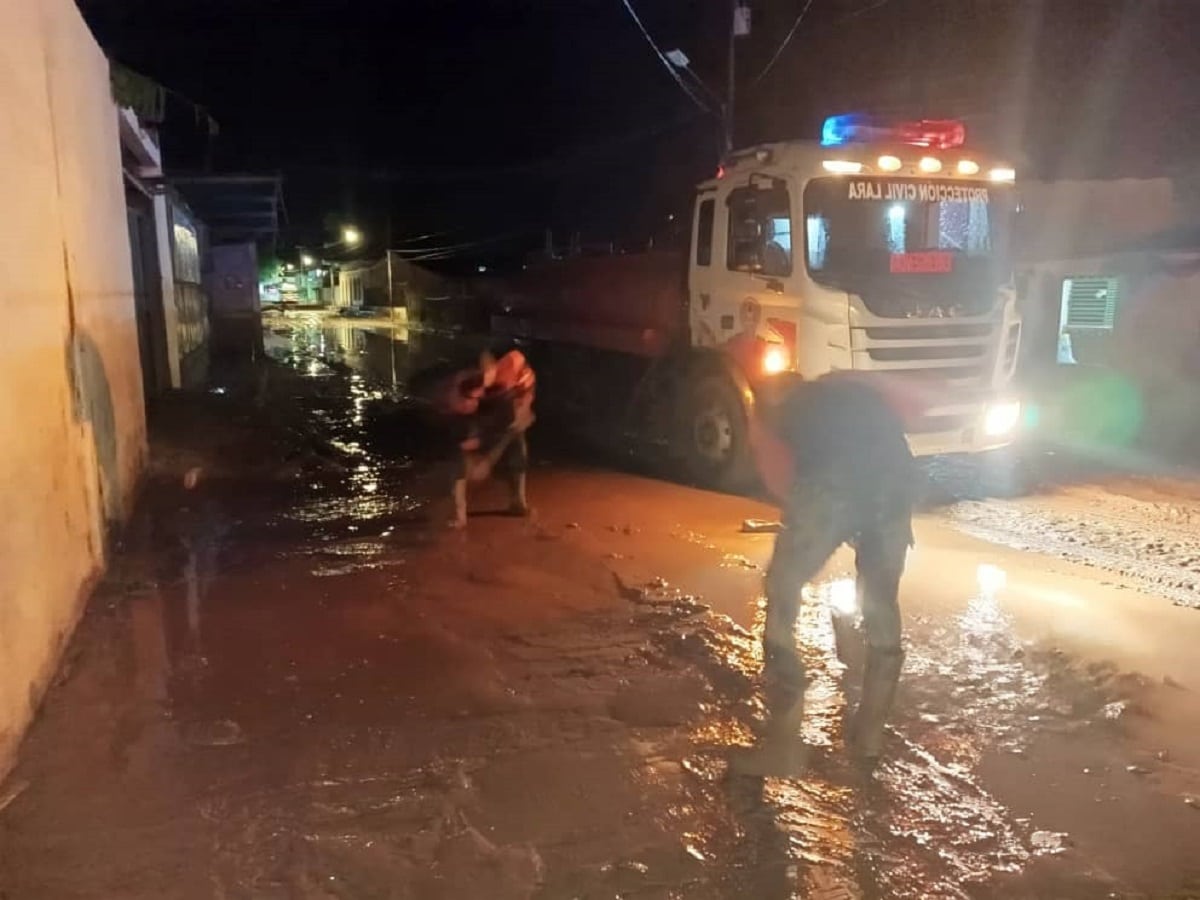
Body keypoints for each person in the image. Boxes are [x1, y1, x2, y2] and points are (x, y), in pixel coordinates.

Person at [749, 371, 917, 774]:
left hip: (832, 484)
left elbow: (781, 481)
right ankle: (869, 739)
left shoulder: (783, 411)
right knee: (880, 607)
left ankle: (782, 744)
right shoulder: (843, 392)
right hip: (896, 486)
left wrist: (808, 526)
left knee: (783, 589)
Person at [434, 350, 536, 529]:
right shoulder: (458, 391)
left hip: (513, 406)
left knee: (516, 447)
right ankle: (458, 512)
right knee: (458, 457)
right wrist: (473, 442)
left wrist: (487, 459)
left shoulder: (506, 385)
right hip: (484, 410)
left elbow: (507, 426)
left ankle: (517, 502)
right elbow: (458, 426)